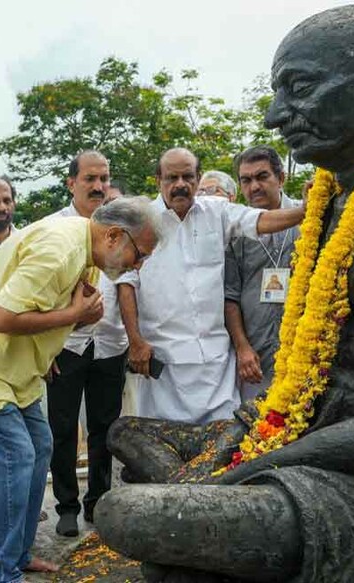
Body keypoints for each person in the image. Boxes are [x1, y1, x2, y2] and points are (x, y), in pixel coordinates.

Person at [96, 6, 354, 582]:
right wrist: (250, 439)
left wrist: (241, 472)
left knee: (128, 515)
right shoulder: (332, 193)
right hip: (308, 428)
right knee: (128, 432)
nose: (274, 114)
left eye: (299, 89)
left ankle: (216, 508)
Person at [0, 196, 164, 583]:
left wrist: (77, 322)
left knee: (39, 446)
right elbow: (0, 318)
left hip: (16, 365)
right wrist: (76, 316)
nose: (138, 265)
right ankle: (0, 571)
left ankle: (16, 555)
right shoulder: (59, 251)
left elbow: (49, 312)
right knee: (13, 456)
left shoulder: (88, 255)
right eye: (139, 254)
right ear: (114, 235)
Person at [116, 148, 305, 425]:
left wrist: (305, 211)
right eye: (172, 178)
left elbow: (260, 220)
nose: (180, 184)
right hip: (162, 363)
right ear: (158, 180)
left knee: (225, 442)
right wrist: (135, 341)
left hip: (216, 364)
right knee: (163, 446)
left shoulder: (216, 212)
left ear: (198, 178)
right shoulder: (138, 221)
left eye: (187, 177)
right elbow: (126, 283)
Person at [44, 151, 129, 537]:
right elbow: (39, 293)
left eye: (104, 178)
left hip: (111, 342)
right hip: (65, 345)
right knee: (62, 429)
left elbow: (130, 282)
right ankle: (66, 505)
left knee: (104, 428)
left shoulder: (118, 226)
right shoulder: (51, 228)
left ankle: (98, 501)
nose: (98, 186)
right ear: (71, 183)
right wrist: (43, 350)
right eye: (90, 179)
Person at [224, 145, 303, 403]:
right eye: (246, 180)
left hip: (305, 346)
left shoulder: (311, 217)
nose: (254, 186)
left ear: (281, 178)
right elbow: (230, 295)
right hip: (255, 354)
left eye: (262, 177)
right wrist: (242, 347)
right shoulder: (234, 231)